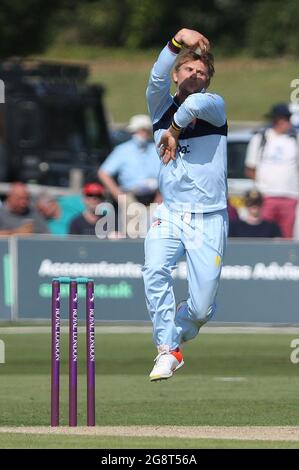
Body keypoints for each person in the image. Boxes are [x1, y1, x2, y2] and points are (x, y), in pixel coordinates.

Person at [142, 28, 228, 381]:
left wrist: (174, 131)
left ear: (208, 79)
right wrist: (177, 41)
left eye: (201, 72)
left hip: (209, 217)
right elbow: (155, 77)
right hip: (171, 212)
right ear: (177, 74)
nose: (195, 75)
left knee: (202, 309)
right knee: (154, 271)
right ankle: (167, 350)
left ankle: (183, 326)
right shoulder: (158, 104)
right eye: (188, 69)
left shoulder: (214, 106)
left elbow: (192, 105)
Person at [245, 103, 299, 238]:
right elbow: (250, 168)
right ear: (275, 120)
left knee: (286, 236)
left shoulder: (295, 139)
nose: (285, 123)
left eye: (287, 119)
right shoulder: (261, 138)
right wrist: (262, 185)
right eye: (282, 119)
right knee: (264, 234)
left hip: (290, 196)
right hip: (266, 196)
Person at [98, 114, 161, 204]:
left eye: (144, 130)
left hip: (156, 197)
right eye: (138, 131)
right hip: (132, 198)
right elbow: (103, 173)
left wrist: (162, 195)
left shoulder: (156, 149)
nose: (142, 134)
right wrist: (119, 196)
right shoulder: (122, 150)